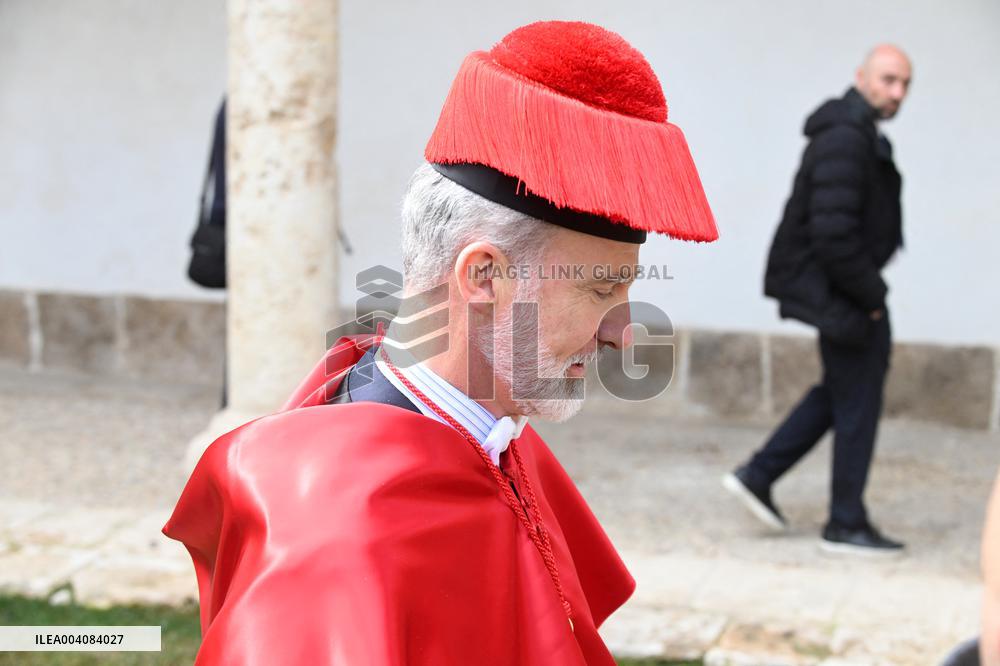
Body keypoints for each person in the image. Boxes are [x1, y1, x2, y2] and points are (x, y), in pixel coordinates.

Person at [163, 20, 717, 665]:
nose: (623, 333)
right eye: (600, 290)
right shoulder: (334, 533)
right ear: (483, 276)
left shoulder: (493, 437)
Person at [723, 45, 911, 555]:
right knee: (857, 397)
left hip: (844, 289)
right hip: (847, 292)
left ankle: (759, 474)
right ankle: (845, 522)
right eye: (888, 79)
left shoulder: (856, 132)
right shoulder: (846, 137)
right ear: (861, 77)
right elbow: (833, 235)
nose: (897, 92)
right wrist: (872, 297)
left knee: (843, 391)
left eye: (904, 84)